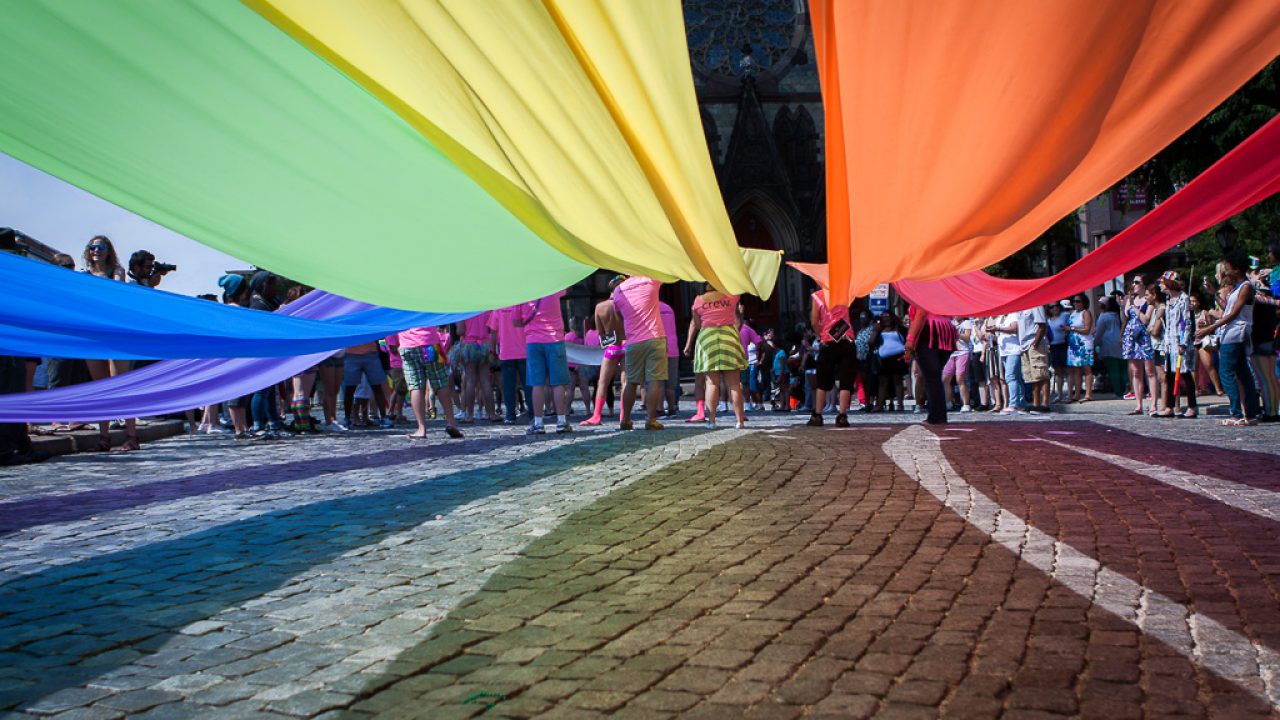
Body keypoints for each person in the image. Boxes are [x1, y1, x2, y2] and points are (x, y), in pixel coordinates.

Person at [80, 236, 141, 451]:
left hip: (115, 335)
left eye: (100, 247)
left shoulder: (116, 272)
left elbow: (115, 292)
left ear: (108, 251)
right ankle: (103, 438)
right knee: (101, 389)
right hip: (93, 335)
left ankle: (132, 437)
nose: (96, 250)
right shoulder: (83, 276)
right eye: (92, 247)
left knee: (121, 385)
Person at [1196, 254, 1260, 426]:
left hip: (1235, 333)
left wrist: (1209, 329)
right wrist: (1214, 294)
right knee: (1242, 372)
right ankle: (1250, 413)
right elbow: (1228, 309)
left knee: (1226, 373)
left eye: (1228, 268)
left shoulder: (1245, 287)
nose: (1226, 272)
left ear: (1236, 269)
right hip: (1232, 333)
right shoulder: (1239, 287)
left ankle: (1237, 413)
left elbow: (1233, 314)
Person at [684, 284, 747, 428]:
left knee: (712, 383)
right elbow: (738, 315)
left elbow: (698, 324)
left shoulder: (698, 300)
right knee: (734, 384)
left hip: (708, 338)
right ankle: (739, 421)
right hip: (728, 336)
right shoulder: (731, 296)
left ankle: (712, 421)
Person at [612, 275, 667, 431]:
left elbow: (618, 317)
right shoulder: (651, 280)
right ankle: (650, 419)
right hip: (655, 337)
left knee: (631, 381)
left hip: (633, 341)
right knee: (654, 380)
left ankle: (626, 419)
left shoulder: (618, 290)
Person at [517, 290, 573, 434]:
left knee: (537, 384)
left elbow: (516, 321)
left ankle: (538, 423)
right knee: (558, 383)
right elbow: (565, 289)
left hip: (533, 341)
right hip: (555, 340)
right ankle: (561, 421)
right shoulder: (553, 289)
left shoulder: (523, 294)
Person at [400, 326, 464, 440]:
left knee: (415, 386)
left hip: (407, 344)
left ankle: (421, 429)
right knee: (441, 383)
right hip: (430, 343)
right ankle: (451, 423)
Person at [805, 290, 856, 427]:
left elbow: (814, 321)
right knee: (846, 379)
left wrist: (821, 336)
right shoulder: (846, 292)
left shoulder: (817, 296)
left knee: (823, 379)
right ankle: (842, 416)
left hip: (828, 341)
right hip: (847, 339)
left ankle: (817, 415)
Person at [905, 305, 957, 425]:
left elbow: (920, 314)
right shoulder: (941, 292)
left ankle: (936, 416)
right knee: (934, 378)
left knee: (932, 378)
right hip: (946, 331)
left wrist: (910, 338)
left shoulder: (921, 292)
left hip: (930, 331)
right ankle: (939, 415)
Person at [581, 289, 626, 426]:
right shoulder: (627, 305)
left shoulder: (600, 307)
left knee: (602, 382)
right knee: (626, 382)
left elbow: (601, 333)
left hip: (611, 347)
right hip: (626, 345)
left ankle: (596, 416)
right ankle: (624, 417)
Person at [1157, 272, 1197, 418]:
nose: (1160, 285)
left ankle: (1192, 406)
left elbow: (1186, 322)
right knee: (1169, 375)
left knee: (1185, 374)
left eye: (1162, 282)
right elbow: (1168, 324)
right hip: (1170, 342)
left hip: (1180, 341)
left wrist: (1183, 342)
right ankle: (1170, 406)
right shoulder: (1168, 300)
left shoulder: (1183, 298)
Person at [1122, 276, 1159, 415]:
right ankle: (1138, 405)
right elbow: (1126, 318)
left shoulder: (1148, 301)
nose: (1134, 284)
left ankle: (1154, 404)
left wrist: (1134, 307)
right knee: (1136, 372)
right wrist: (1125, 305)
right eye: (1134, 282)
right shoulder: (1131, 299)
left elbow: (1145, 319)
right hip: (1131, 336)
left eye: (1137, 282)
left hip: (1144, 336)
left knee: (1149, 371)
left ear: (1144, 285)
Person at [489, 305, 531, 424]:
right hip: (524, 351)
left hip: (506, 352)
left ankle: (510, 415)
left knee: (508, 386)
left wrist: (492, 351)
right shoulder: (523, 305)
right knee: (528, 385)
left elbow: (493, 331)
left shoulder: (498, 307)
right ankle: (533, 414)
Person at [451, 311, 495, 423]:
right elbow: (492, 328)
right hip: (485, 345)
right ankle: (491, 413)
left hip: (469, 346)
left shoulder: (466, 311)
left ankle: (469, 415)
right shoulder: (487, 309)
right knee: (485, 381)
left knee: (470, 381)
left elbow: (460, 331)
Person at [342, 339, 392, 429]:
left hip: (371, 353)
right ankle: (347, 418)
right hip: (351, 354)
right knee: (349, 388)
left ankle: (384, 417)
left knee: (377, 386)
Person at [989, 313, 1026, 414]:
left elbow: (1014, 329)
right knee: (1016, 378)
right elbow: (1000, 336)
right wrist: (991, 333)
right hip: (1004, 351)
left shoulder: (1013, 315)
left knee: (1010, 377)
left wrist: (998, 329)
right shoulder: (1000, 317)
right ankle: (1021, 405)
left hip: (1014, 350)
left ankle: (1013, 405)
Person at [1191, 293, 1224, 396]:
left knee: (1208, 365)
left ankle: (1218, 388)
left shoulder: (1204, 313)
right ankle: (1195, 389)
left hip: (1203, 341)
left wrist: (1205, 326)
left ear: (1198, 302)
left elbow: (1213, 325)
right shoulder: (1187, 314)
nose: (1191, 304)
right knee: (1193, 367)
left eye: (1194, 301)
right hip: (1192, 341)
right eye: (1190, 301)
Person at [1018, 305, 1050, 412]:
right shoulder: (1021, 307)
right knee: (1032, 376)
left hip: (1035, 342)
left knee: (1041, 373)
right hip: (1024, 345)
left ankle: (1045, 404)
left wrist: (1036, 343)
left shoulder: (1037, 305)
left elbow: (1042, 325)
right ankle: (1036, 403)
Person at [939, 317, 972, 413]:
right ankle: (948, 403)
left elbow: (967, 337)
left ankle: (966, 404)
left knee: (960, 378)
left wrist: (956, 333)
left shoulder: (966, 322)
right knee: (945, 378)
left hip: (963, 352)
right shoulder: (951, 322)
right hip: (952, 352)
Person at [1066, 294, 1095, 402]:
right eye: (1074, 301)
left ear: (1083, 302)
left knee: (1086, 368)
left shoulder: (1085, 312)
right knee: (1076, 369)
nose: (1075, 303)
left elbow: (1087, 329)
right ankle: (1076, 394)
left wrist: (1072, 328)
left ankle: (1088, 394)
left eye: (1078, 301)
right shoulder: (1073, 313)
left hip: (1083, 343)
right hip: (1074, 344)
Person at [877, 314, 907, 413]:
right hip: (884, 360)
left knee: (898, 381)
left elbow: (907, 342)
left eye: (888, 317)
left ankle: (900, 404)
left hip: (898, 358)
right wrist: (875, 330)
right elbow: (871, 342)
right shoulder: (879, 330)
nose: (887, 319)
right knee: (882, 382)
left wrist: (906, 356)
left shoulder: (899, 329)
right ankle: (880, 405)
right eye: (884, 317)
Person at [1046, 302, 1070, 403]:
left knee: (1067, 370)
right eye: (1052, 307)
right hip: (1053, 346)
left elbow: (1070, 324)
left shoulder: (1064, 315)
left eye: (1056, 306)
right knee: (1058, 371)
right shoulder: (1048, 319)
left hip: (1063, 344)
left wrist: (1067, 330)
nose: (1055, 308)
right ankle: (1059, 395)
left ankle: (1069, 394)